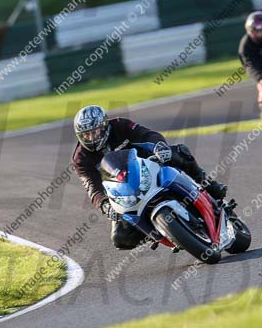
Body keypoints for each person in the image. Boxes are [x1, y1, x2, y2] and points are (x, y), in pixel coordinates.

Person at [72, 105, 227, 249]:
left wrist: (159, 146)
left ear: (105, 126)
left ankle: (207, 184)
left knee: (180, 152)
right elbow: (92, 187)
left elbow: (147, 134)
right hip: (124, 190)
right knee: (120, 239)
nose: (92, 138)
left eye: (95, 132)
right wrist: (104, 204)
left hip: (148, 164)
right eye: (86, 135)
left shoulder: (120, 125)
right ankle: (158, 230)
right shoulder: (80, 159)